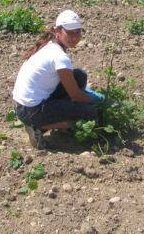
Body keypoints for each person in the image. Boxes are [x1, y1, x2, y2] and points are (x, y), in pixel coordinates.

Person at [12, 10, 105, 149]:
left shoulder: (48, 45)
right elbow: (75, 95)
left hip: (21, 105)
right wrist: (101, 101)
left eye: (78, 32)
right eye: (70, 32)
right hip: (31, 111)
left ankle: (58, 114)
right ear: (58, 31)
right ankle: (38, 127)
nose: (75, 37)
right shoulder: (59, 56)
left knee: (79, 76)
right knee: (90, 113)